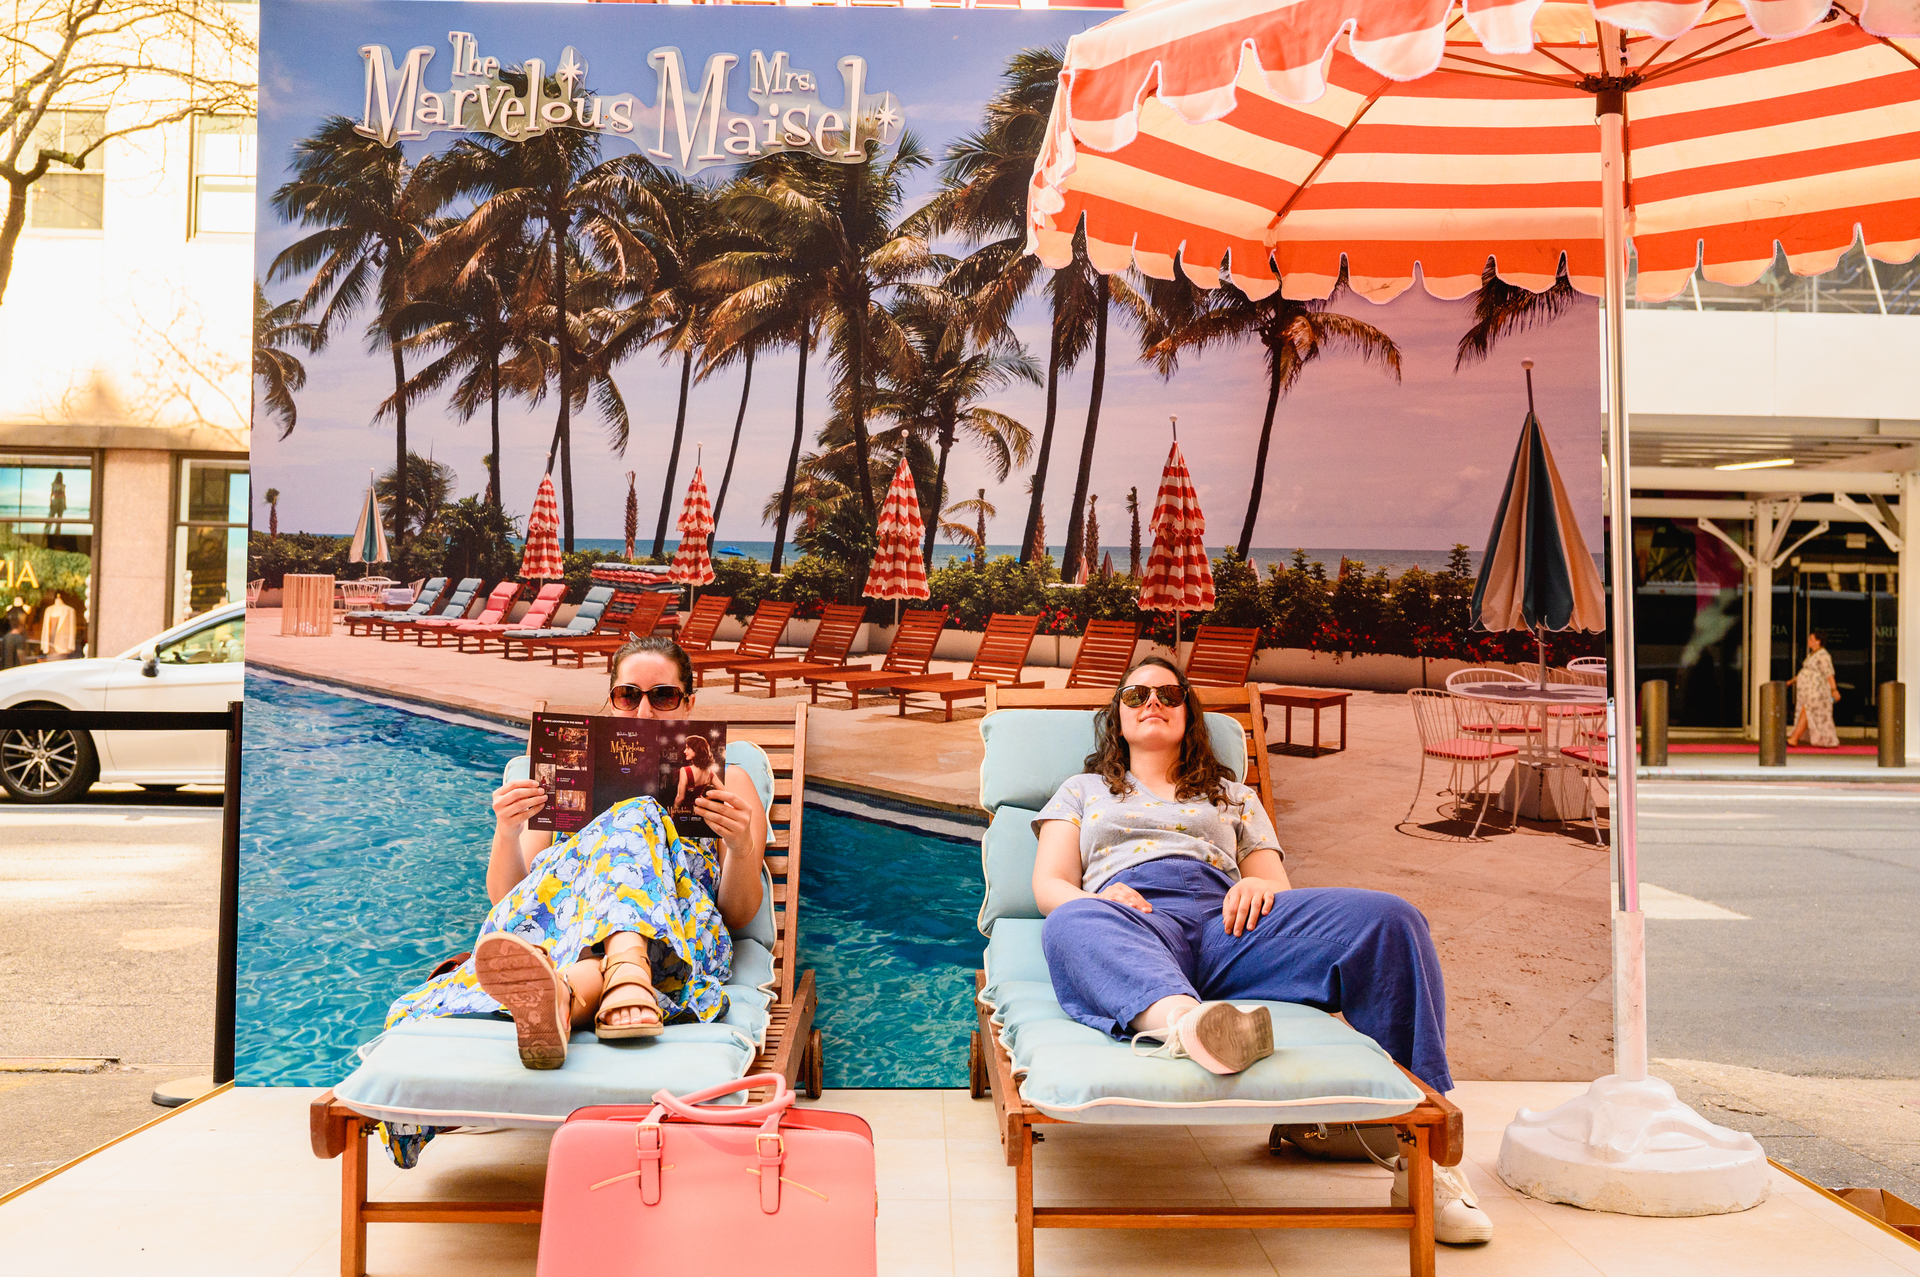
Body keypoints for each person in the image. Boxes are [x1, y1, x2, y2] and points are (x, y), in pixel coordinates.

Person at [1033, 657, 1490, 1244]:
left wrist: (1257, 885)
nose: (1153, 702)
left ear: (1188, 713)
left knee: (1390, 918)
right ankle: (1188, 1023)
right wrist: (1100, 895)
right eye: (1136, 693)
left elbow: (1276, 885)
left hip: (1230, 923)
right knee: (1071, 920)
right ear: (1117, 714)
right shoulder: (1081, 789)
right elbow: (1049, 887)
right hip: (1134, 920)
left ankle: (1425, 1162)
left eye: (1168, 694)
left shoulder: (1233, 795)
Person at [376, 635, 767, 1167]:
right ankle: (594, 987)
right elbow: (510, 900)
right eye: (629, 695)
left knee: (637, 814)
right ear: (610, 699)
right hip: (560, 928)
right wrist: (506, 832)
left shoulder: (728, 779)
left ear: (690, 702)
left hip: (677, 936)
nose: (644, 708)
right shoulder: (563, 772)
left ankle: (570, 991)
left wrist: (741, 845)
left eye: (664, 696)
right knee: (632, 816)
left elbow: (739, 914)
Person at [1787, 631, 1840, 748]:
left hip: (1818, 691)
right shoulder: (1812, 655)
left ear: (1818, 641)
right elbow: (1806, 671)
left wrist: (1834, 689)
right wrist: (1791, 681)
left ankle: (1794, 738)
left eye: (1811, 639)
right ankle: (1796, 737)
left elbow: (1829, 673)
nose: (1808, 641)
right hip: (1809, 691)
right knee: (1806, 710)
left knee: (1807, 709)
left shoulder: (1823, 655)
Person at [672, 732, 721, 814]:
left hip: (685, 812)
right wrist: (705, 799)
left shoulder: (685, 770)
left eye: (688, 748)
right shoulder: (710, 773)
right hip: (701, 811)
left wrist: (673, 812)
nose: (684, 751)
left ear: (696, 750)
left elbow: (680, 797)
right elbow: (723, 791)